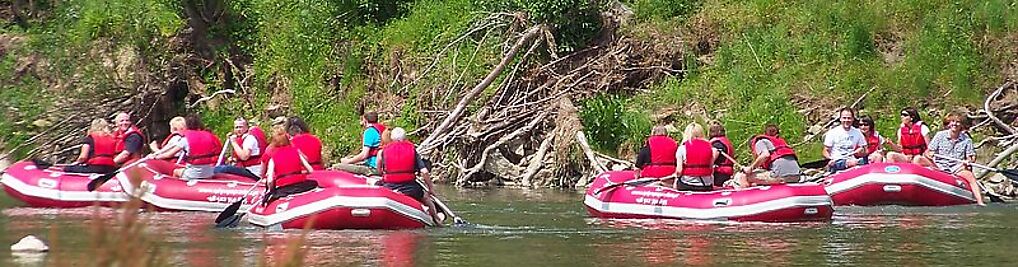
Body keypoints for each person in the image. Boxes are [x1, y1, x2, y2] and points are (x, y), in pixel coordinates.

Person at [375, 127, 441, 225]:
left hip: (389, 187)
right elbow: (424, 171)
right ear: (405, 138)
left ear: (391, 138)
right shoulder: (412, 149)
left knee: (376, 184)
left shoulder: (382, 151)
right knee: (426, 197)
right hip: (410, 188)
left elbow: (379, 169)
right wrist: (430, 188)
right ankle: (437, 219)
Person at [924, 112, 985, 206]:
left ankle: (980, 202)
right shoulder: (940, 135)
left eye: (958, 122)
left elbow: (971, 157)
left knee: (970, 177)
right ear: (949, 123)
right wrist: (930, 154)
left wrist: (968, 161)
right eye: (952, 121)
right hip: (939, 165)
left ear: (961, 125)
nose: (955, 124)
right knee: (918, 159)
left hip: (956, 167)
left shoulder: (967, 140)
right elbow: (928, 152)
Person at [261, 123, 318, 205]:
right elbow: (310, 170)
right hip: (301, 186)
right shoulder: (296, 152)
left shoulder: (273, 158)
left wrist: (271, 189)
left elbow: (270, 180)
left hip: (285, 189)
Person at [152, 115, 222, 180]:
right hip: (209, 173)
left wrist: (155, 157)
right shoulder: (209, 136)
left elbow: (168, 154)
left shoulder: (185, 139)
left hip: (193, 174)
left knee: (176, 172)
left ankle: (177, 189)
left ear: (187, 125)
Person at [734, 124, 801, 188]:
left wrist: (750, 168)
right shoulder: (780, 141)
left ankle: (746, 196)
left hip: (781, 176)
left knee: (742, 176)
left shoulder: (759, 142)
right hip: (797, 175)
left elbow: (765, 155)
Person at [674, 122, 718, 191]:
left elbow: (679, 171)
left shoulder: (682, 148)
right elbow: (711, 168)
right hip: (706, 185)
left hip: (687, 184)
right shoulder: (710, 148)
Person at [823, 108, 868, 172]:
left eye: (849, 118)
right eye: (844, 118)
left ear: (852, 119)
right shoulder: (832, 132)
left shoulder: (857, 132)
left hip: (852, 159)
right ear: (840, 119)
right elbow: (825, 150)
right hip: (837, 160)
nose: (846, 120)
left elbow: (865, 150)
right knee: (851, 163)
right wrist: (830, 159)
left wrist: (861, 152)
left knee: (872, 158)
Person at [708, 121, 736, 187]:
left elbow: (712, 159)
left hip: (720, 173)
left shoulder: (717, 144)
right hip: (727, 172)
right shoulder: (724, 141)